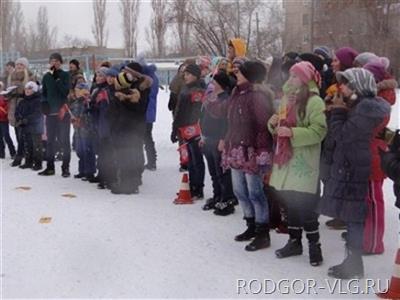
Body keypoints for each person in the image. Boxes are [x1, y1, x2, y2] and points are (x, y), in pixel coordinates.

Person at [319, 68, 391, 279]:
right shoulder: (358, 106)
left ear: (358, 86)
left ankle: (354, 264)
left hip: (358, 168)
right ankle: (352, 261)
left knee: (355, 217)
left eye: (346, 83)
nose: (341, 87)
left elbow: (343, 135)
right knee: (352, 217)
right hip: (351, 165)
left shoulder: (365, 109)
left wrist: (339, 111)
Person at [206, 61, 274, 251]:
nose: (236, 73)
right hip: (235, 149)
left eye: (240, 72)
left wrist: (262, 153)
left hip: (252, 151)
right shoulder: (237, 92)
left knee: (255, 193)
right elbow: (222, 110)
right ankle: (250, 226)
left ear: (249, 75)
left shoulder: (257, 97)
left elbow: (263, 127)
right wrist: (210, 100)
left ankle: (263, 233)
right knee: (240, 192)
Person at [268, 61, 327, 266]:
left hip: (304, 163)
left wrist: (293, 132)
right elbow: (279, 131)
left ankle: (314, 245)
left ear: (305, 79)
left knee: (306, 205)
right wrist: (274, 123)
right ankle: (294, 242)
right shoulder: (286, 100)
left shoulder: (315, 102)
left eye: (295, 76)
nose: (290, 79)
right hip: (286, 161)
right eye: (290, 75)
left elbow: (319, 131)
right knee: (291, 203)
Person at [321, 47, 358, 230]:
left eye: (336, 60)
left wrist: (332, 110)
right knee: (330, 174)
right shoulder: (332, 86)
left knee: (343, 176)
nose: (332, 63)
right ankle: (337, 211)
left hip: (341, 137)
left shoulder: (350, 89)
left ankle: (345, 215)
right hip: (331, 134)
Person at [108, 63, 151, 195]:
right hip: (124, 126)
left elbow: (139, 109)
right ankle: (129, 180)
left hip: (132, 126)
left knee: (130, 154)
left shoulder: (140, 89)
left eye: (128, 73)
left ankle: (130, 183)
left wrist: (126, 99)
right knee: (126, 154)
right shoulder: (127, 86)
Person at [200, 71, 236, 215]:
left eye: (214, 82)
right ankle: (217, 196)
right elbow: (202, 117)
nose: (211, 84)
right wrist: (202, 135)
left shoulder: (226, 99)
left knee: (222, 172)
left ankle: (227, 199)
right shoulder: (210, 98)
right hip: (208, 137)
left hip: (218, 138)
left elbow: (227, 122)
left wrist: (223, 138)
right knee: (214, 172)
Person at [171, 64, 206, 200]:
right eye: (184, 74)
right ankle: (192, 185)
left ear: (195, 76)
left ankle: (198, 188)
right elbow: (179, 110)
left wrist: (191, 127)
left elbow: (196, 113)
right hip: (184, 128)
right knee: (190, 159)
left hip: (194, 129)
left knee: (197, 159)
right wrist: (176, 128)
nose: (185, 76)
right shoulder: (186, 88)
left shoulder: (198, 91)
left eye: (188, 74)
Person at [39, 52, 71, 177]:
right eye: (52, 61)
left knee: (64, 140)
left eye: (57, 61)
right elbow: (44, 92)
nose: (54, 63)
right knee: (50, 141)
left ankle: (65, 168)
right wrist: (44, 103)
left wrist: (57, 79)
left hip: (63, 112)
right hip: (51, 113)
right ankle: (50, 167)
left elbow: (65, 91)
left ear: (60, 62)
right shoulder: (46, 76)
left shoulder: (65, 75)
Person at [8, 57, 35, 167]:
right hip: (13, 107)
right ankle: (21, 155)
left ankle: (25, 157)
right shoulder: (11, 76)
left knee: (24, 134)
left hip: (25, 106)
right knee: (17, 132)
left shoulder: (30, 76)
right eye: (17, 64)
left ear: (25, 66)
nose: (19, 66)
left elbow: (34, 92)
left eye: (21, 65)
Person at [14, 81, 43, 170]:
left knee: (36, 146)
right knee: (28, 145)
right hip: (24, 126)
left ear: (34, 90)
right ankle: (28, 162)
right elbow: (17, 111)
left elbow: (38, 113)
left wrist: (27, 119)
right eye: (26, 88)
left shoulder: (38, 101)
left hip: (35, 126)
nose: (27, 90)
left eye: (30, 88)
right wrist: (19, 118)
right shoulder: (22, 101)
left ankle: (38, 163)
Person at [70, 82, 96, 180]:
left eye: (78, 91)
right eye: (76, 91)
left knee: (87, 150)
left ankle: (90, 171)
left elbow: (89, 115)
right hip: (78, 130)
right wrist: (72, 119)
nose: (76, 93)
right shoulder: (75, 102)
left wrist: (82, 120)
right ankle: (82, 170)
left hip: (86, 130)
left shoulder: (88, 101)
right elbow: (73, 113)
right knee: (80, 150)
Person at [0, 81, 16, 159]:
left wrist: (5, 112)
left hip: (4, 119)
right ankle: (1, 153)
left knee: (6, 136)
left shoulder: (5, 95)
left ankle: (12, 152)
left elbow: (8, 106)